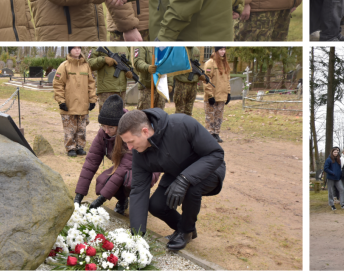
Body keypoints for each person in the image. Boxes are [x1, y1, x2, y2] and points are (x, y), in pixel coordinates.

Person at [117, 108, 225, 251]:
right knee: (156, 205)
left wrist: (185, 179)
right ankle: (183, 227)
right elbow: (138, 189)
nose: (130, 148)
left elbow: (215, 154)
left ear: (145, 131)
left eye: (131, 142)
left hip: (209, 168)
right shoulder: (139, 152)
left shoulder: (182, 124)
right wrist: (137, 235)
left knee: (192, 188)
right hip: (176, 171)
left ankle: (186, 231)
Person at [73, 95, 158, 215]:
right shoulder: (103, 133)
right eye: (103, 126)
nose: (106, 131)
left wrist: (101, 199)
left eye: (111, 127)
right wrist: (79, 196)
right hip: (123, 169)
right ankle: (123, 200)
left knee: (129, 180)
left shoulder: (130, 133)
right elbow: (91, 162)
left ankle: (138, 204)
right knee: (103, 181)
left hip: (147, 168)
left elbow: (123, 169)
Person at [53, 46, 97, 156]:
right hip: (69, 103)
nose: (77, 50)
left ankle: (80, 147)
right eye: (74, 48)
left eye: (79, 48)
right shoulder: (64, 66)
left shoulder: (86, 66)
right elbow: (58, 84)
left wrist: (92, 99)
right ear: (70, 50)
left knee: (81, 127)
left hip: (83, 104)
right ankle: (70, 147)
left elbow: (91, 84)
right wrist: (61, 101)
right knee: (69, 127)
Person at [88, 47, 132, 113]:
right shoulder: (99, 45)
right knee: (106, 119)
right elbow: (89, 63)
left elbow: (128, 64)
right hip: (106, 90)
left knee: (120, 119)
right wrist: (103, 59)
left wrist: (129, 72)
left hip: (121, 91)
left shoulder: (124, 47)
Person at [203, 47, 231, 143]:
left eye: (224, 49)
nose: (223, 52)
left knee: (219, 116)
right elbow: (206, 80)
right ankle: (210, 134)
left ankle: (216, 133)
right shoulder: (210, 63)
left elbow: (227, 80)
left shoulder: (225, 64)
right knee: (210, 116)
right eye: (221, 49)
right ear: (216, 51)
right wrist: (210, 95)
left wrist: (228, 93)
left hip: (222, 96)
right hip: (212, 96)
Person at [173, 46, 203, 116]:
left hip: (193, 84)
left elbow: (197, 66)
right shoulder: (178, 49)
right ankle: (179, 126)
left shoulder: (196, 50)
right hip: (181, 83)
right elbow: (174, 64)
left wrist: (200, 76)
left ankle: (187, 126)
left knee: (189, 111)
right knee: (179, 111)